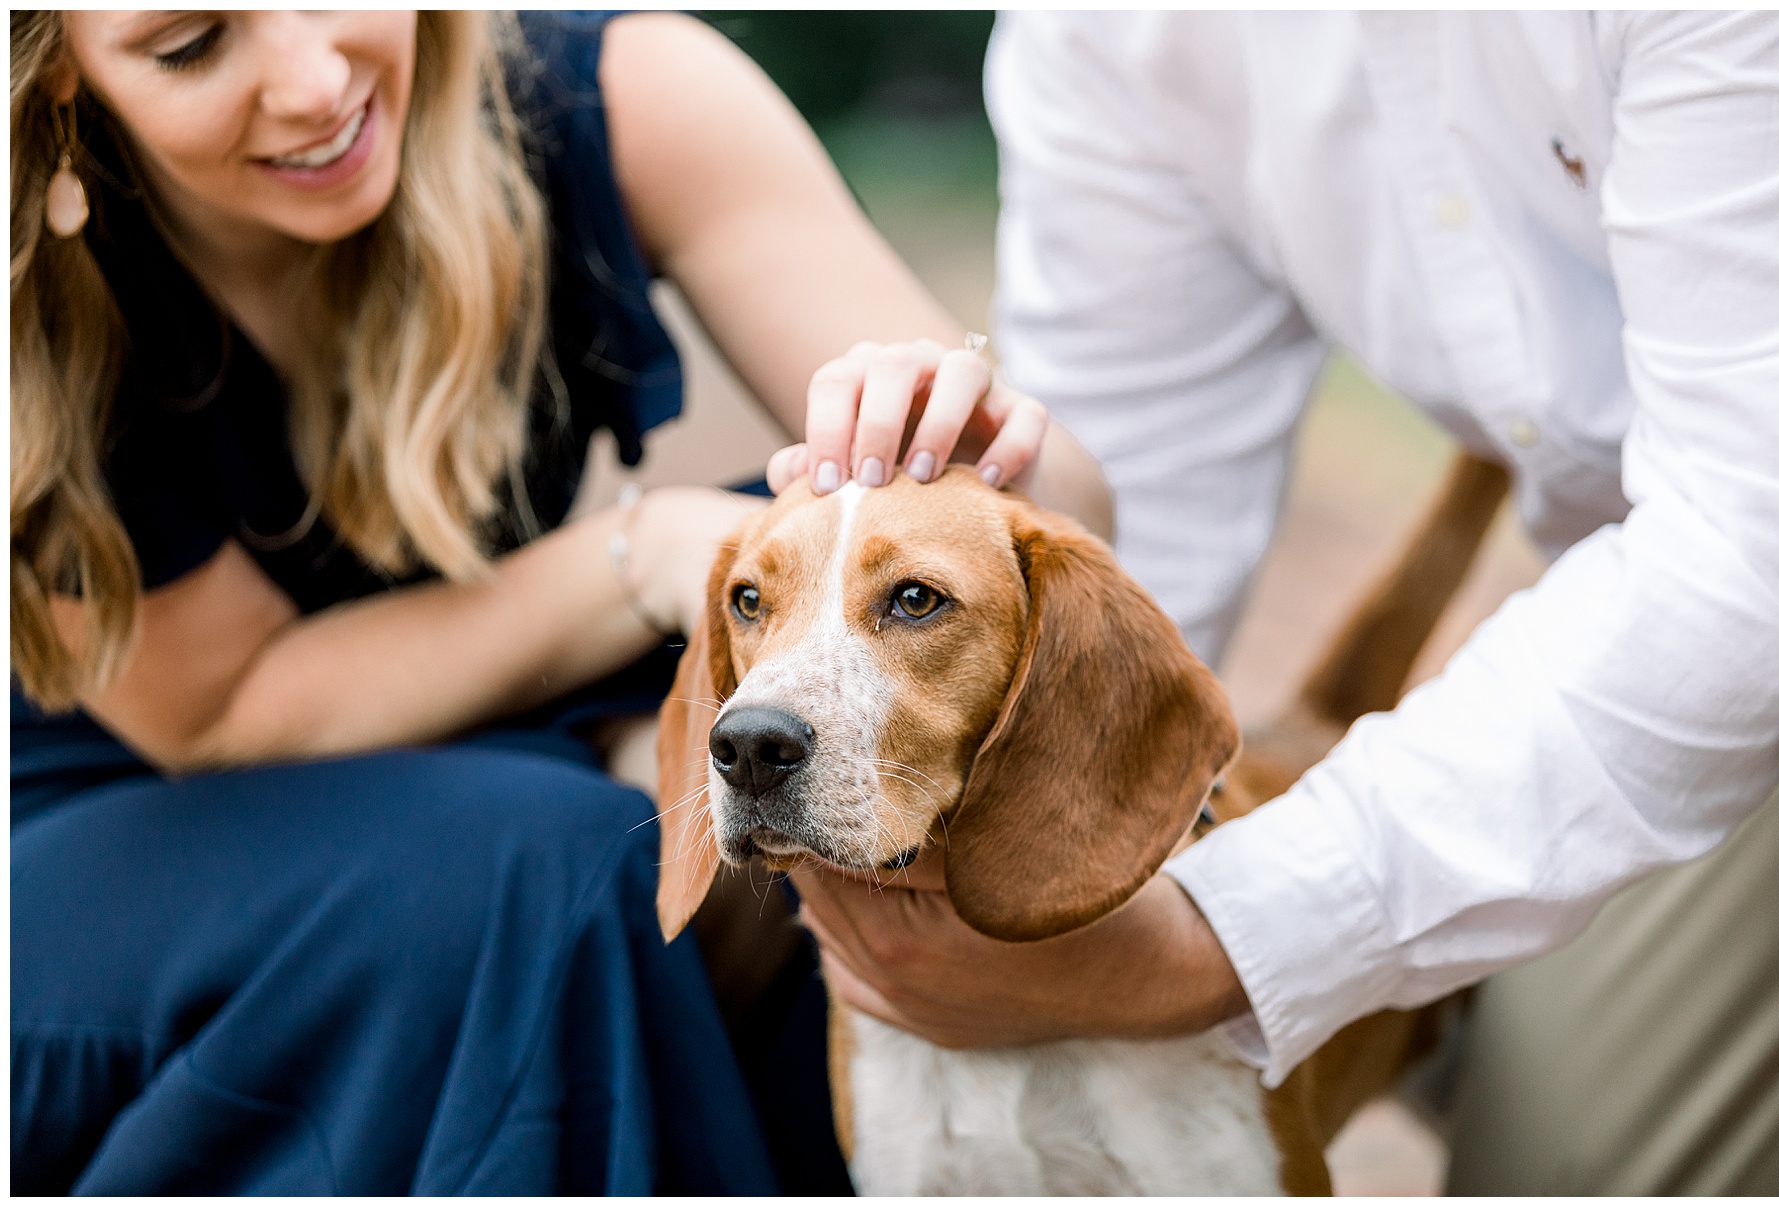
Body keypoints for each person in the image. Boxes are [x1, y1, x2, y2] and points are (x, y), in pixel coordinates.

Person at [10, 10, 1110, 1194]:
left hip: (490, 724)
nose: (315, 80)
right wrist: (639, 560)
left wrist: (974, 451)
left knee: (864, 668)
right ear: (53, 58)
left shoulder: (621, 95)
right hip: (118, 846)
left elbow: (1071, 520)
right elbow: (226, 717)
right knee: (564, 855)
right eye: (193, 46)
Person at [781, 11, 1779, 1194]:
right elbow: (1146, 523)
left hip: (1750, 600)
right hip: (1619, 607)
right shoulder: (1104, 29)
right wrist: (996, 513)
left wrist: (1230, 940)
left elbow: (1754, 550)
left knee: (1575, 1160)